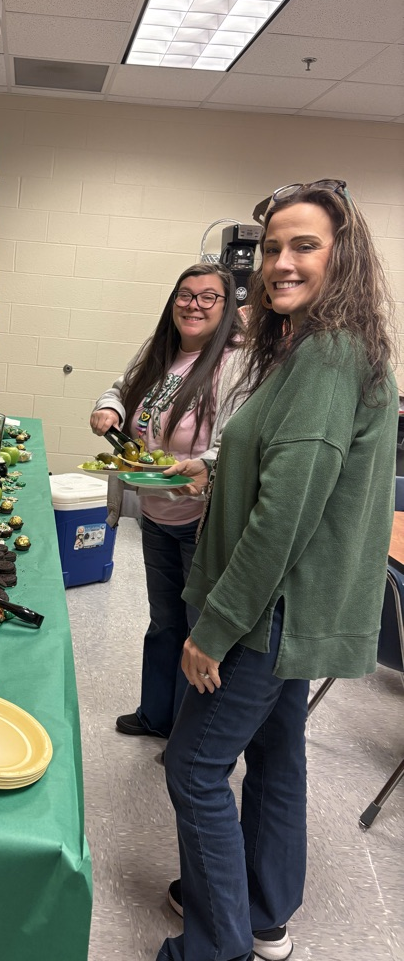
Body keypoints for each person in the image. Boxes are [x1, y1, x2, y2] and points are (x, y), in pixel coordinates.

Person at [156, 180, 398, 961]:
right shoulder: (319, 348)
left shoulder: (327, 356)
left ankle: (216, 946)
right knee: (275, 750)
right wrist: (218, 469)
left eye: (305, 246)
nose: (281, 263)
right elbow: (295, 471)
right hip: (291, 612)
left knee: (195, 768)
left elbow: (286, 515)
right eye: (271, 248)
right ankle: (260, 909)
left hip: (267, 613)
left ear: (343, 257)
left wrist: (216, 629)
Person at [90, 263, 246, 739]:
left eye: (208, 296)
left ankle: (189, 736)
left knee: (200, 633)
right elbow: (121, 387)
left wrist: (207, 464)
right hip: (157, 515)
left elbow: (239, 437)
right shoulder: (159, 351)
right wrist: (109, 407)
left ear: (228, 307)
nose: (193, 305)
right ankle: (157, 715)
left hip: (202, 522)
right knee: (164, 623)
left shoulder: (236, 362)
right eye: (185, 294)